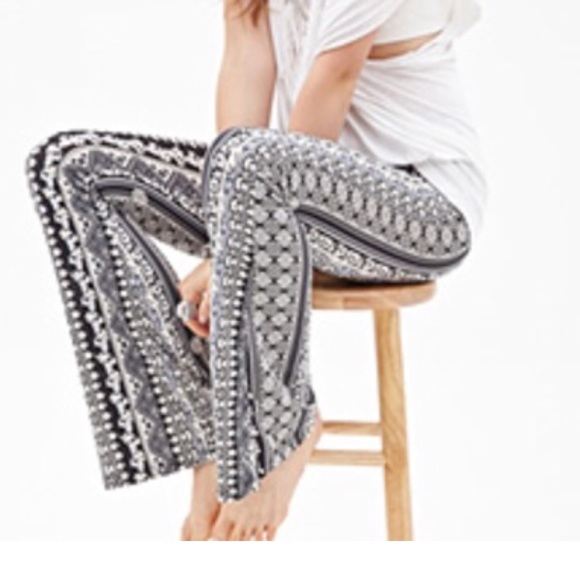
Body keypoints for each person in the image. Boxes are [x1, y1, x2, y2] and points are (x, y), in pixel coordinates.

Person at [24, 0, 487, 541]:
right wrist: (229, 236)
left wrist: (225, 251)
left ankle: (274, 438)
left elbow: (333, 81)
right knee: (69, 164)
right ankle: (210, 434)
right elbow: (246, 47)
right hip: (276, 195)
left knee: (255, 158)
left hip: (422, 209)